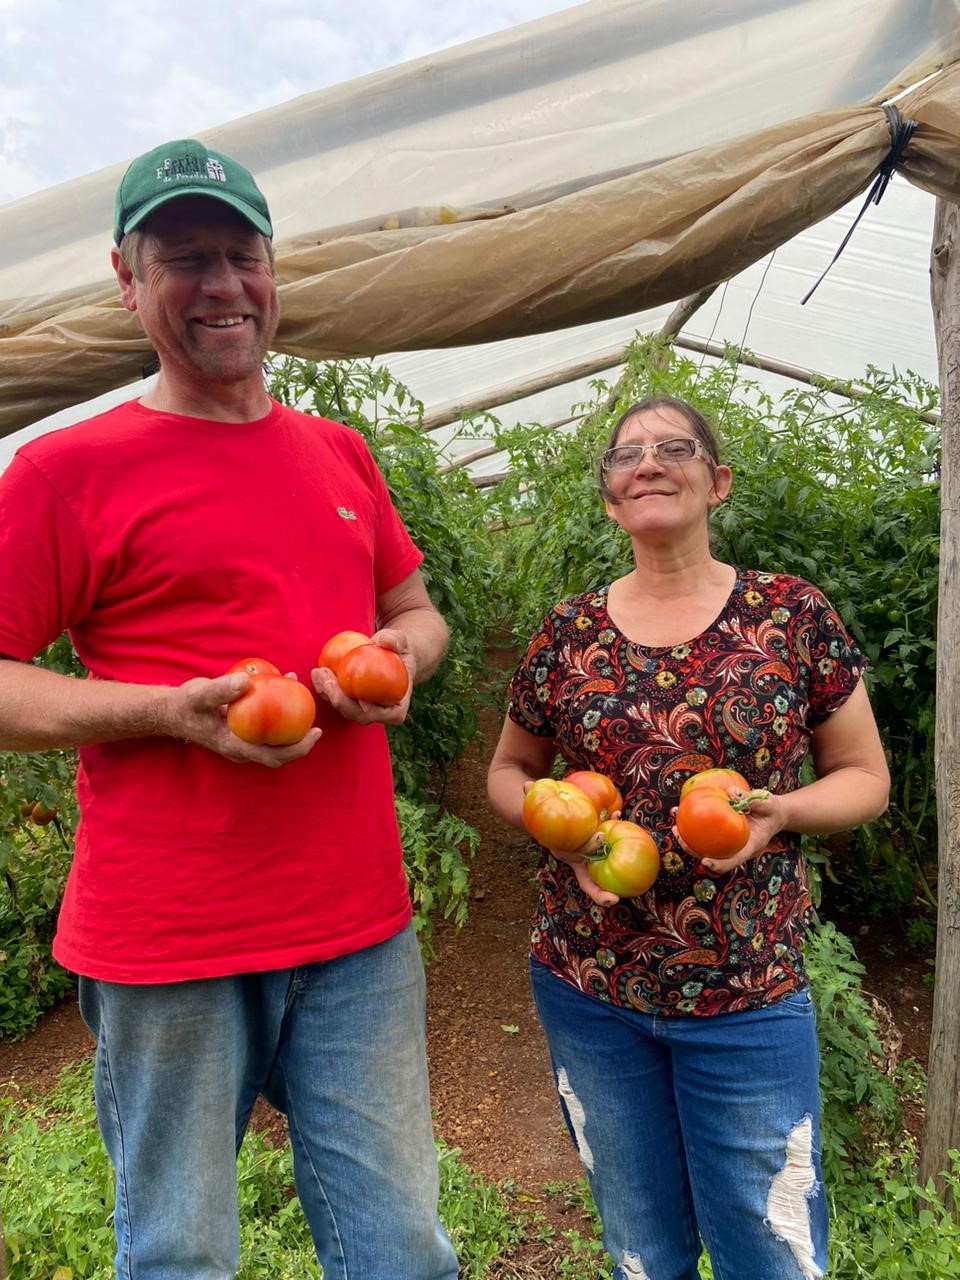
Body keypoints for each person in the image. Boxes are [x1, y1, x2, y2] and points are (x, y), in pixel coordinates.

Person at [0, 139, 459, 1280]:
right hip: (169, 940)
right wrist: (168, 711)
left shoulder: (338, 452)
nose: (220, 285)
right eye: (182, 258)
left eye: (239, 254)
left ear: (271, 267)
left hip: (359, 927)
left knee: (403, 1248)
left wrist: (397, 656)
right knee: (180, 1252)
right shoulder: (65, 472)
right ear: (126, 278)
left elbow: (419, 609)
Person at [486, 395, 890, 1280]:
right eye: (625, 455)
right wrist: (560, 836)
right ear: (608, 499)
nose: (648, 463)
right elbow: (509, 772)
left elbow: (866, 777)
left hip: (746, 986)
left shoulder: (790, 614)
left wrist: (781, 812)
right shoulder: (567, 632)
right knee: (642, 1247)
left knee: (770, 1250)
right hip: (590, 982)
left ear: (719, 481)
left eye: (675, 448)